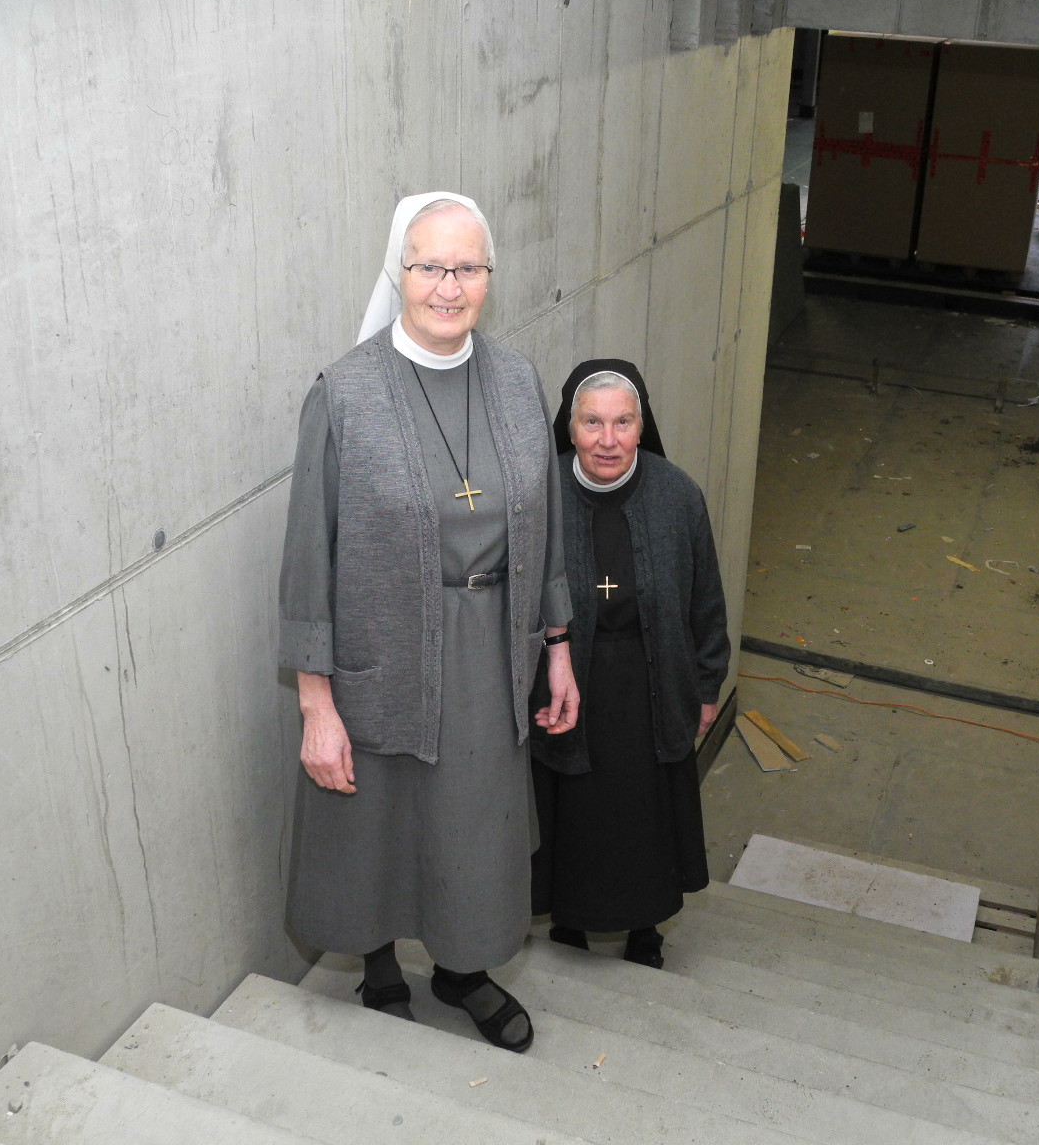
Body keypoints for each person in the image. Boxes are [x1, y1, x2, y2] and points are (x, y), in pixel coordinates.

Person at [278, 192, 578, 1052]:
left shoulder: (517, 381)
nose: (449, 287)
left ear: (489, 276)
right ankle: (377, 963)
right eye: (430, 267)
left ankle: (462, 968)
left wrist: (558, 647)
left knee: (472, 826)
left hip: (491, 652)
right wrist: (316, 705)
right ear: (399, 271)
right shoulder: (344, 394)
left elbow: (548, 527)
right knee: (376, 818)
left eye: (468, 268)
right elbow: (307, 558)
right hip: (381, 647)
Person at [530, 359, 729, 968]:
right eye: (592, 422)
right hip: (566, 684)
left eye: (623, 422)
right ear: (570, 427)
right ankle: (571, 917)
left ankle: (646, 926)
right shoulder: (539, 495)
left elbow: (706, 601)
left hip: (653, 683)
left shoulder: (677, 495)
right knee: (576, 814)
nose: (608, 440)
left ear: (642, 426)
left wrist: (707, 686)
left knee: (646, 816)